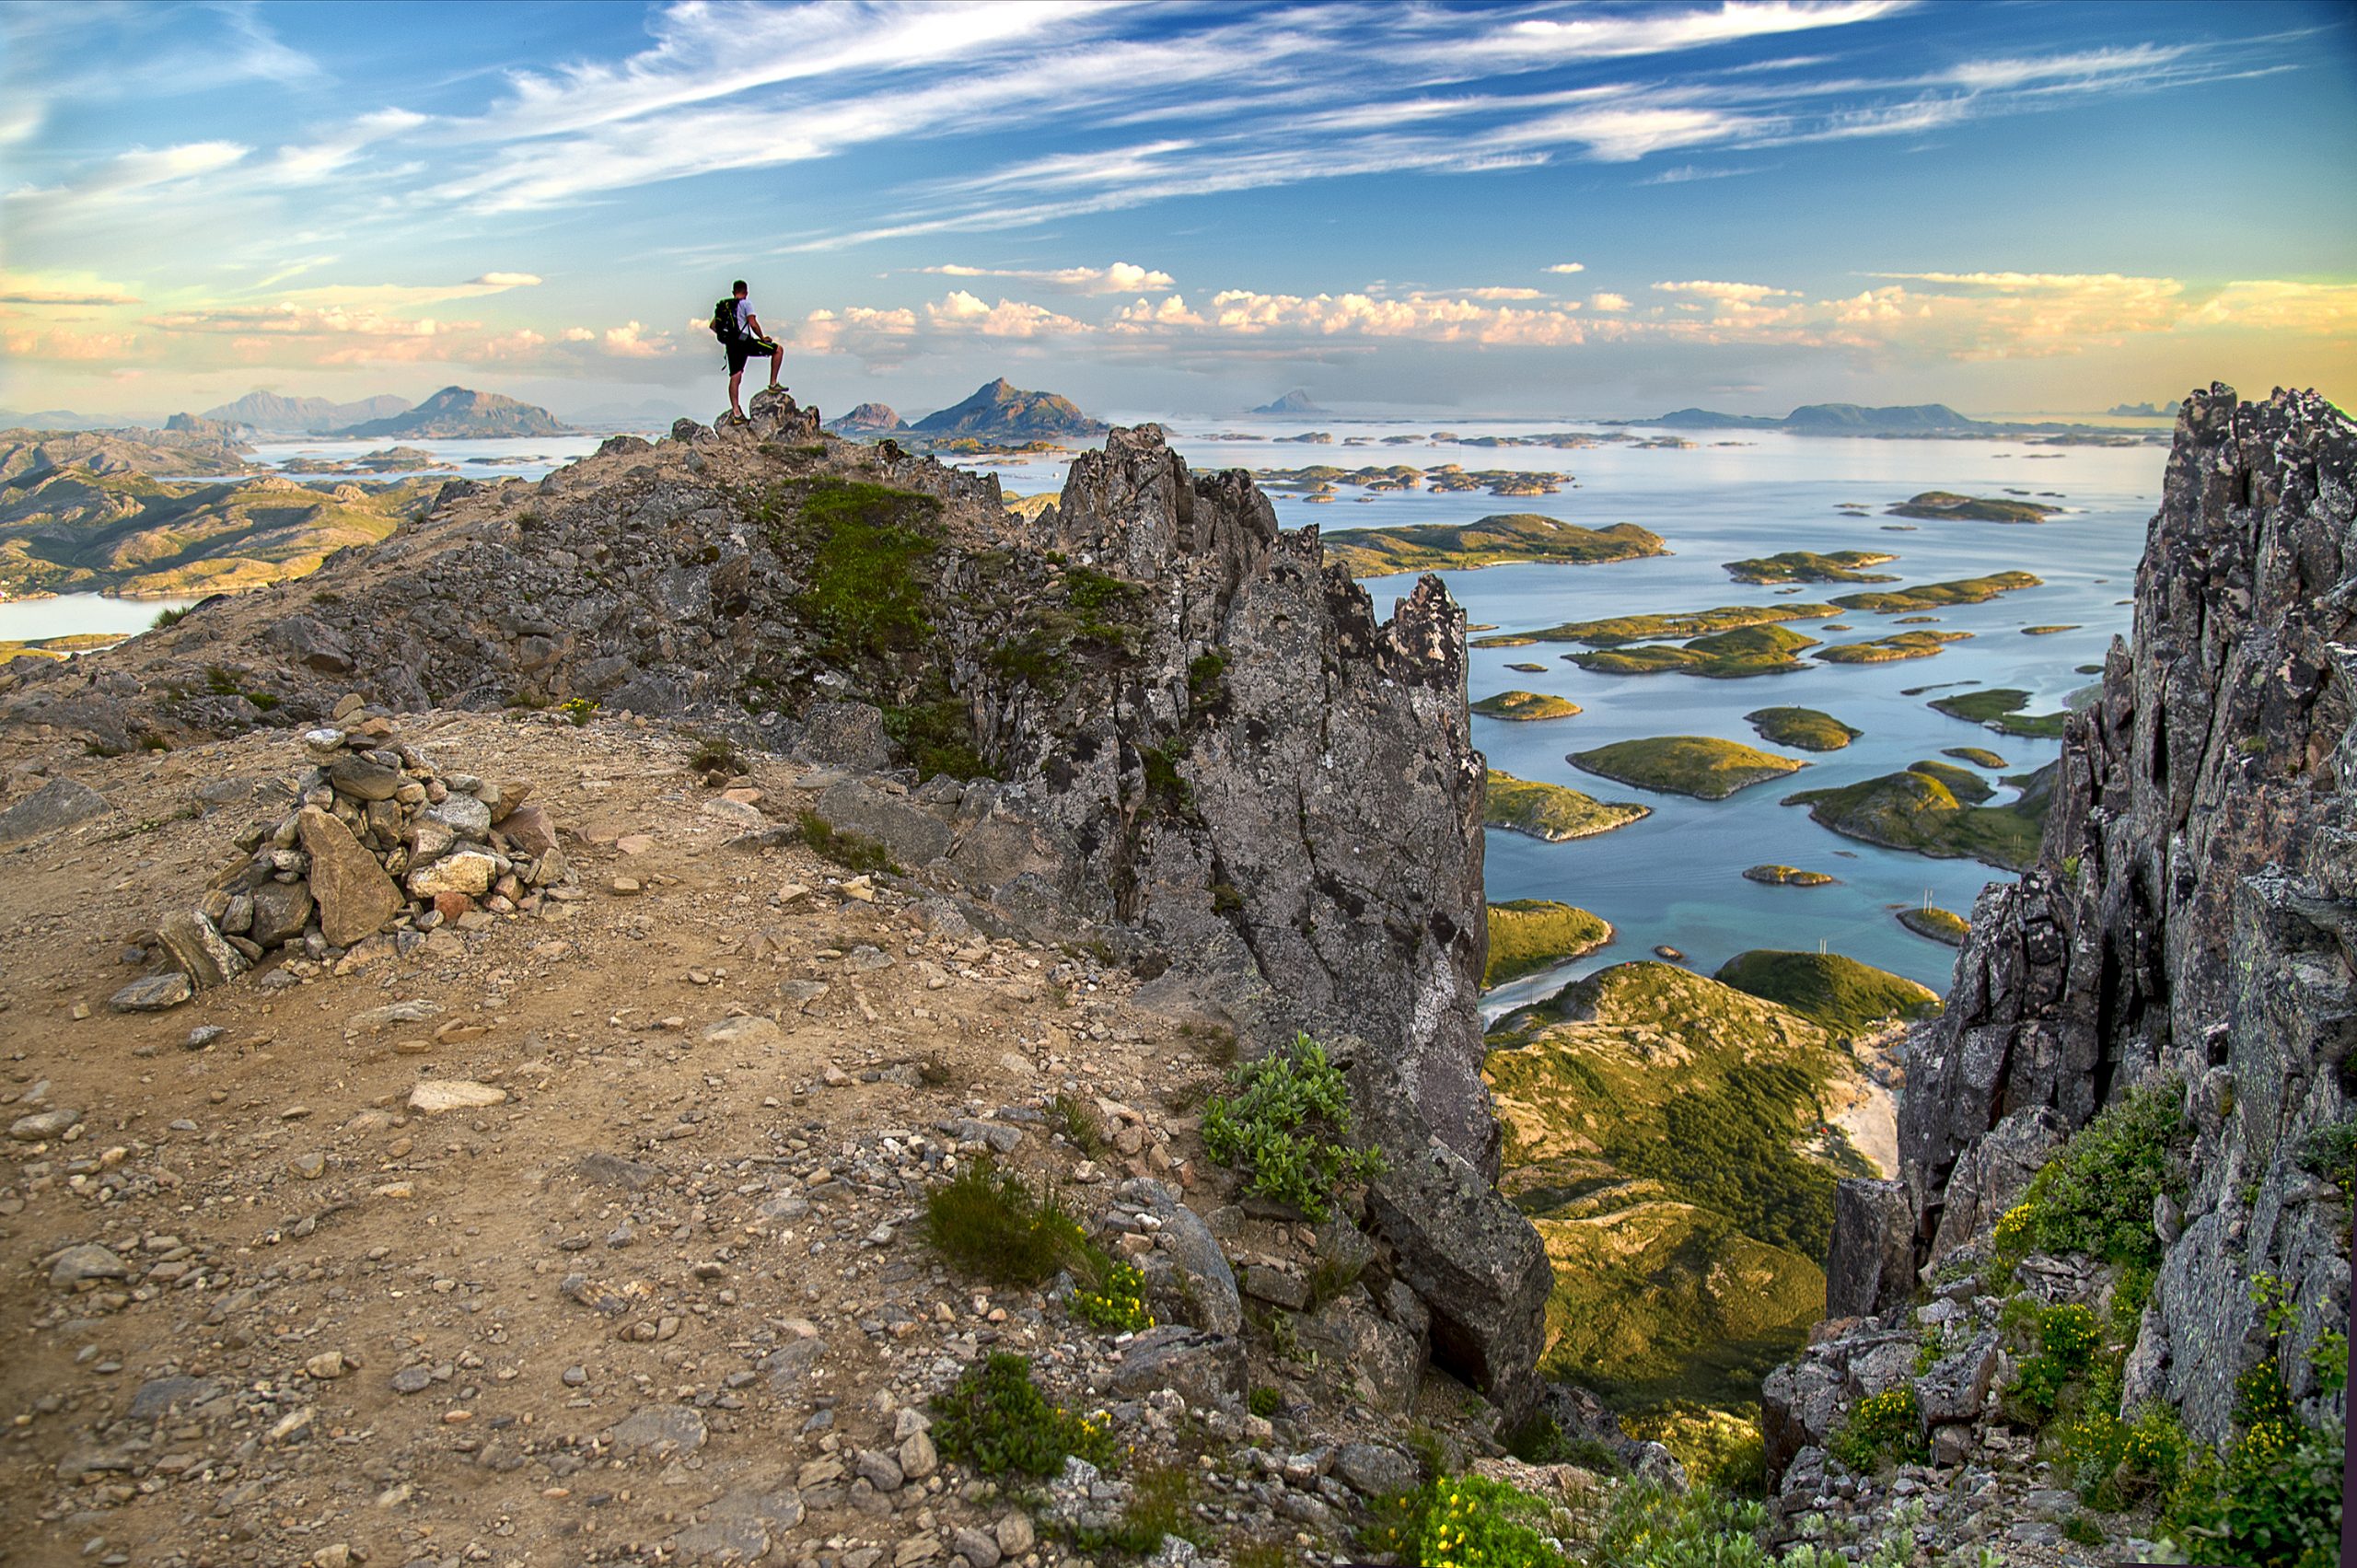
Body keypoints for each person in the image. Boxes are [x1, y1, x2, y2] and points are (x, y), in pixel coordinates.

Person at [722, 279, 784, 423]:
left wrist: (727, 339)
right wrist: (762, 338)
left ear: (733, 292)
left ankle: (736, 412)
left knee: (735, 376)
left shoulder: (725, 306)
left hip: (732, 344)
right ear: (746, 293)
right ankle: (773, 384)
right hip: (745, 342)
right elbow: (752, 323)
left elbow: (713, 325)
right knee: (778, 350)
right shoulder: (746, 304)